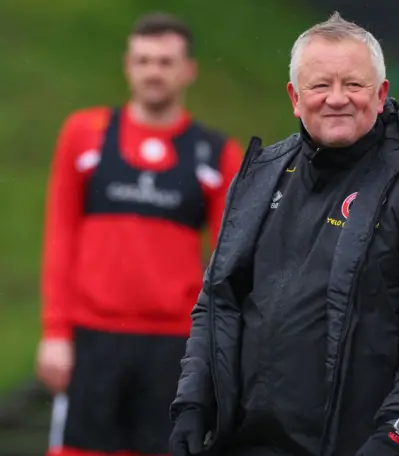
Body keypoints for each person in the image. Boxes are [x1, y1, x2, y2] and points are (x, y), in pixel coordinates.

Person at [168, 12, 399, 456]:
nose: (337, 99)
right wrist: (192, 403)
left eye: (353, 84)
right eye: (320, 85)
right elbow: (219, 301)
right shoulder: (261, 175)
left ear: (381, 92)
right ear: (296, 97)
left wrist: (398, 434)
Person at [37, 12, 244, 456]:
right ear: (128, 65)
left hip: (175, 346)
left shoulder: (215, 153)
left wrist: (216, 348)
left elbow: (230, 260)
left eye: (166, 62)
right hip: (93, 337)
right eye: (144, 60)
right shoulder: (83, 136)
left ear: (188, 70)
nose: (154, 71)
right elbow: (60, 236)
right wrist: (55, 331)